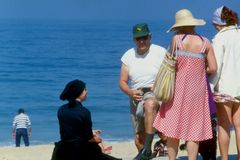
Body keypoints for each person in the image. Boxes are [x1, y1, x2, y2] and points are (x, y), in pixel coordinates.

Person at [153, 9, 217, 160]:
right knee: (193, 131)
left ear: (179, 25)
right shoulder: (205, 42)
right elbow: (213, 68)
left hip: (177, 90)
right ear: (193, 24)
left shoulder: (177, 40)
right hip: (197, 92)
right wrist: (200, 70)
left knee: (172, 129)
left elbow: (170, 62)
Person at [119, 23, 166, 159]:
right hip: (136, 96)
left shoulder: (160, 51)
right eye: (138, 38)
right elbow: (122, 81)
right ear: (134, 39)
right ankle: (148, 151)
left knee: (150, 105)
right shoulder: (128, 55)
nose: (141, 41)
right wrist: (130, 92)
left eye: (144, 37)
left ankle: (151, 145)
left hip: (156, 93)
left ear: (149, 36)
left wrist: (159, 87)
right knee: (139, 140)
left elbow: (170, 74)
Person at [56, 79, 121, 160]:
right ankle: (103, 151)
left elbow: (70, 131)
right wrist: (97, 139)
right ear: (79, 93)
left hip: (64, 149)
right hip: (81, 151)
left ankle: (103, 151)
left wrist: (92, 132)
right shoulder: (84, 111)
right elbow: (89, 139)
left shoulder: (61, 109)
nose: (87, 91)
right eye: (85, 90)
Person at [210, 6, 240, 160]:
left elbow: (216, 68)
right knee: (239, 126)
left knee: (224, 126)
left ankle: (224, 158)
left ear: (217, 24)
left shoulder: (219, 38)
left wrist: (209, 87)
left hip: (224, 89)